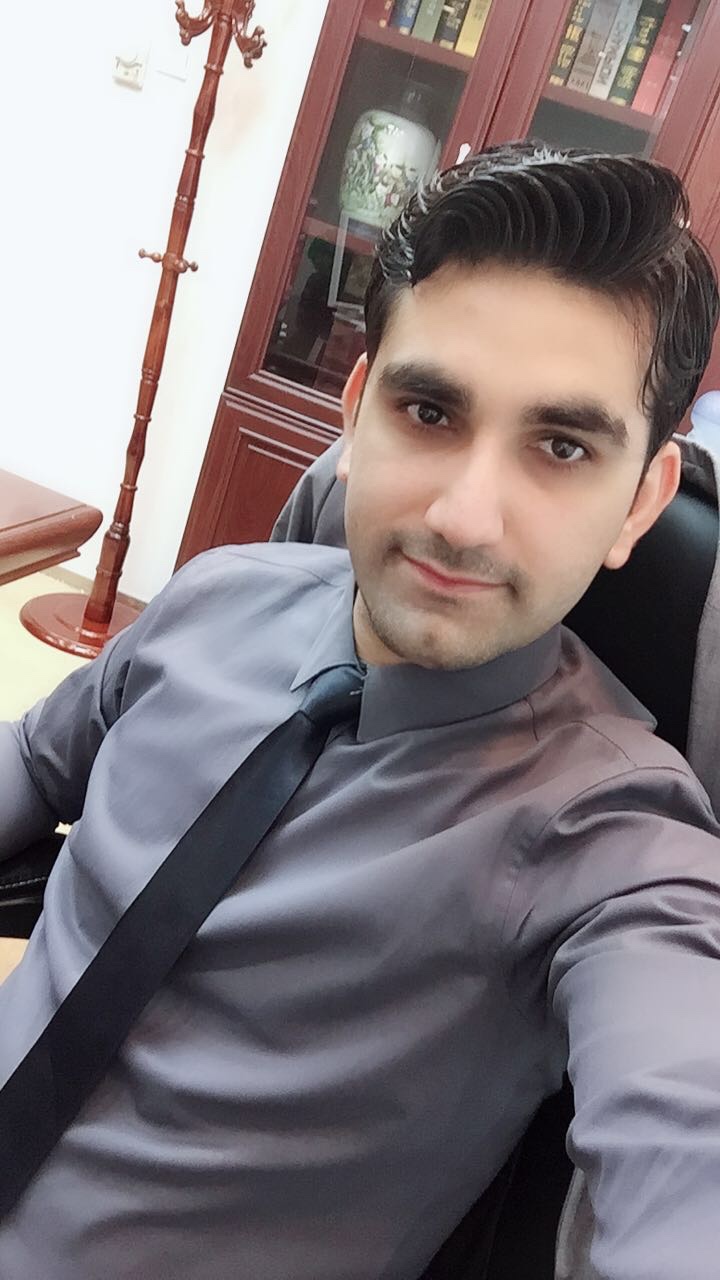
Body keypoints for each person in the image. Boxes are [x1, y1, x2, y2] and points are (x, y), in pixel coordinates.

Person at [1, 142, 720, 1280]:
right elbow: (30, 763)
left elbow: (686, 1143)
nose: (465, 516)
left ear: (642, 499)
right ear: (354, 410)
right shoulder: (214, 599)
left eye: (561, 446)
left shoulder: (616, 840)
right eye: (429, 409)